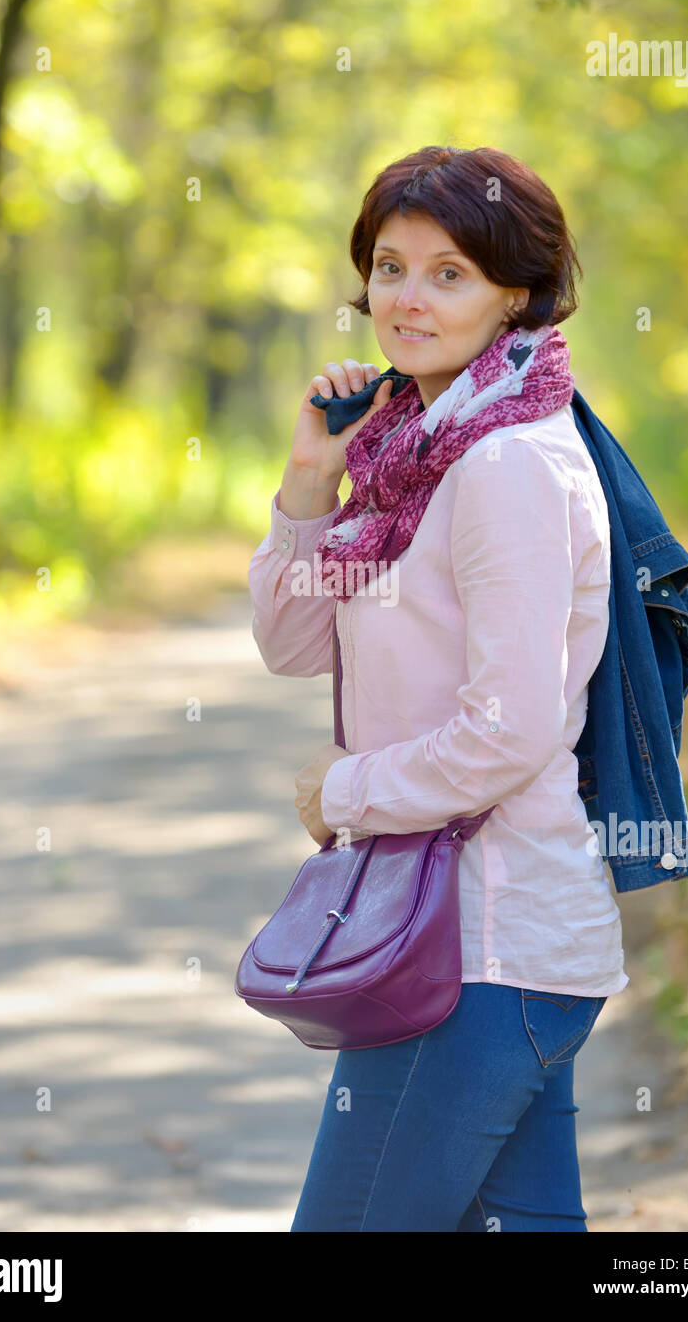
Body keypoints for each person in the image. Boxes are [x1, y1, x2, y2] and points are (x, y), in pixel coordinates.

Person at [247, 145, 627, 1232]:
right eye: (390, 267)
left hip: (484, 949)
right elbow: (289, 638)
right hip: (469, 945)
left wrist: (346, 792)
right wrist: (314, 482)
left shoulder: (504, 465)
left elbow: (510, 731)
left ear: (517, 292)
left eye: (449, 272)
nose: (408, 298)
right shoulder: (414, 448)